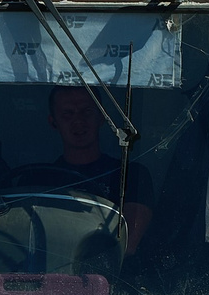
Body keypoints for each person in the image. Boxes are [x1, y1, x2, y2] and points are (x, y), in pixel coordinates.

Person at [9, 86, 151, 254]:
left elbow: (126, 246)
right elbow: (19, 241)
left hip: (110, 278)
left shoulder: (130, 175)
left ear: (102, 117)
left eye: (87, 111)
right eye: (68, 113)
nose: (78, 121)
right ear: (53, 122)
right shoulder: (36, 181)